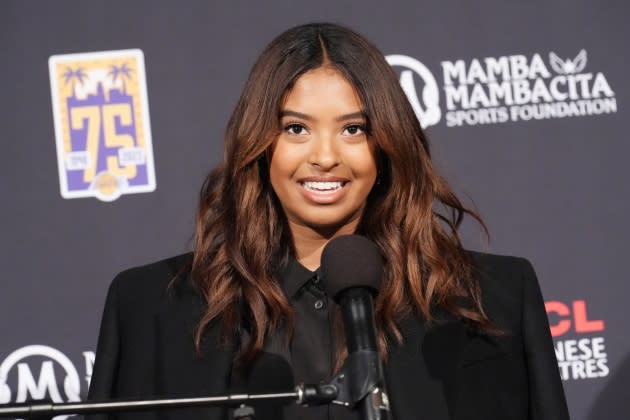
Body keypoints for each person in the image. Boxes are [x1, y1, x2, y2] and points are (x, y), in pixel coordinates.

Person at [87, 23, 570, 420]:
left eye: (353, 129)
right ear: (260, 146)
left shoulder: (495, 299)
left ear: (386, 145)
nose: (324, 156)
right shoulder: (151, 307)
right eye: (296, 129)